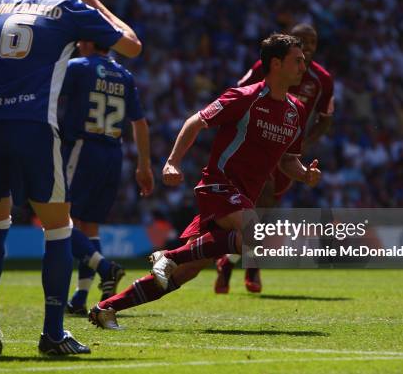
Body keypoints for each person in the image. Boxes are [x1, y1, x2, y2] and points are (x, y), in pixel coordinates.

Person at [88, 33, 321, 329]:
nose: (304, 67)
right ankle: (169, 254)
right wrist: (172, 161)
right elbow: (195, 122)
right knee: (255, 235)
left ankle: (105, 309)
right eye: (297, 61)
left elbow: (288, 160)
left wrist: (305, 174)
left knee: (183, 274)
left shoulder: (296, 111)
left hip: (242, 197)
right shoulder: (245, 97)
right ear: (276, 64)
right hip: (219, 185)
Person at [0, 0, 141, 355]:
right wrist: (93, 0)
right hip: (31, 125)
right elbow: (132, 45)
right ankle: (53, 334)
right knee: (59, 228)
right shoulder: (73, 11)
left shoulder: (3, 4)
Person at [216, 23, 335, 294]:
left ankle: (229, 259)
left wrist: (303, 142)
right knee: (258, 200)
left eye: (313, 42)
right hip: (258, 146)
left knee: (264, 209)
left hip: (289, 153)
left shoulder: (322, 80)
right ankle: (251, 267)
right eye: (301, 41)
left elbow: (326, 119)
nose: (307, 46)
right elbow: (239, 93)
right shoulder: (268, 66)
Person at [60, 40, 154, 315]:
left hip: (82, 148)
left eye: (79, 41)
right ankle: (80, 296)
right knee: (90, 225)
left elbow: (51, 95)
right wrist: (144, 165)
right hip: (114, 154)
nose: (77, 45)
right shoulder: (124, 75)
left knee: (58, 220)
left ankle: (105, 267)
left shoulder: (77, 67)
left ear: (88, 42)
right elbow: (140, 123)